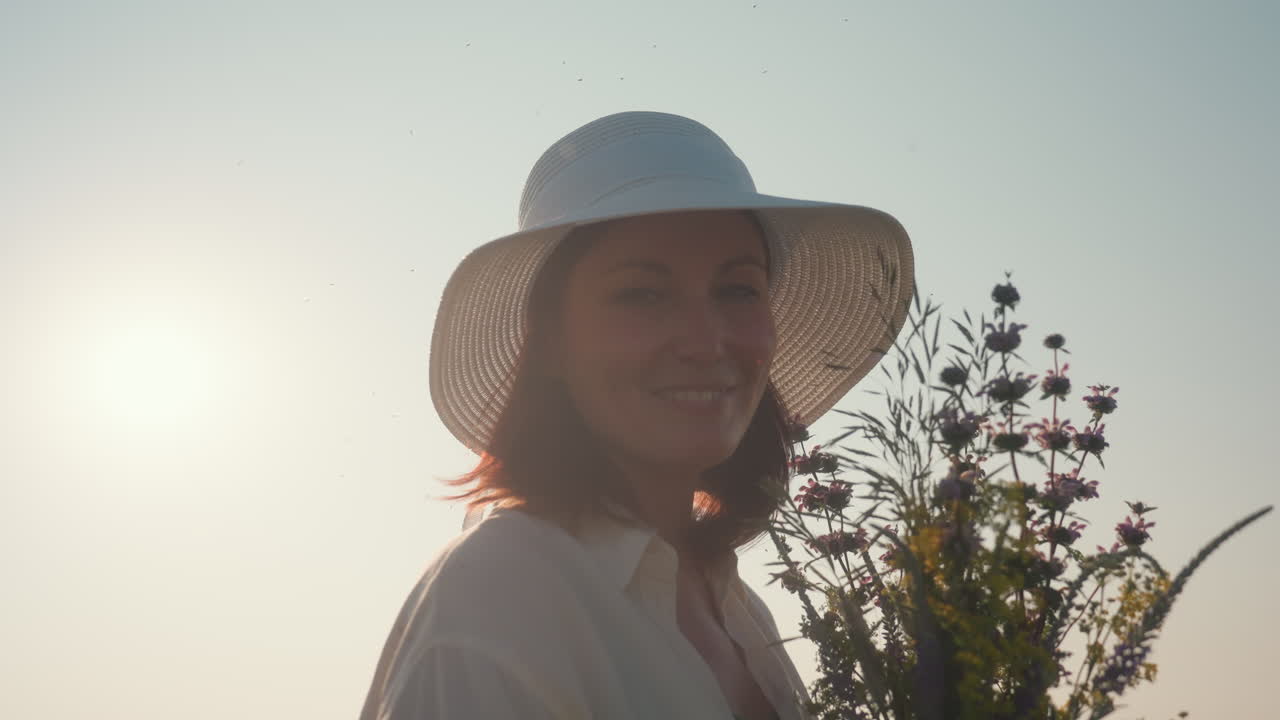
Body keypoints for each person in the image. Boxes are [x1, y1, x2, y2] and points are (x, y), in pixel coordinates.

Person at [359, 111, 914, 720]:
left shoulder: (731, 603)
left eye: (737, 289)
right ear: (549, 344)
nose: (706, 343)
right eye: (643, 294)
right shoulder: (502, 595)